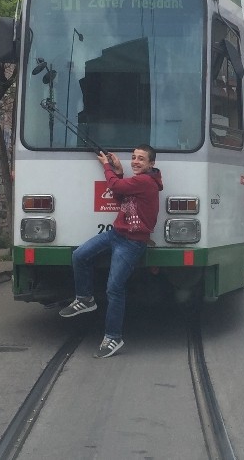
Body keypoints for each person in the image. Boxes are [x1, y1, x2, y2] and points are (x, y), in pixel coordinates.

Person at [59, 145, 163, 359]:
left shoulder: (146, 182)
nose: (135, 161)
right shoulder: (139, 181)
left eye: (141, 159)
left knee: (114, 288)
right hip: (116, 234)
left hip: (132, 242)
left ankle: (113, 337)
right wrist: (118, 171)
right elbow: (119, 194)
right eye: (133, 157)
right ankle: (85, 299)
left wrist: (107, 166)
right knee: (80, 255)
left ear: (151, 164)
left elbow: (115, 185)